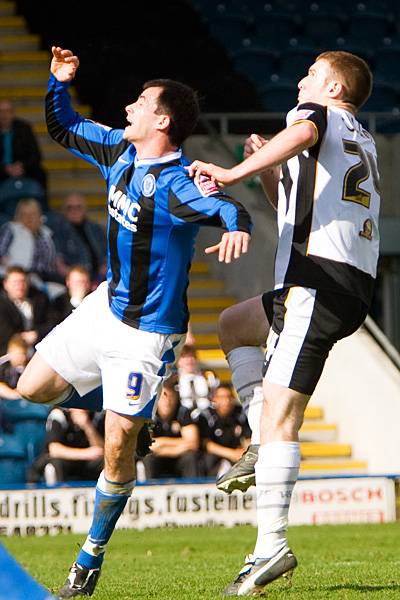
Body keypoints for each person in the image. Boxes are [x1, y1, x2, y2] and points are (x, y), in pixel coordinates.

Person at [16, 46, 252, 598]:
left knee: (118, 443)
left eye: (141, 102)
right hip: (105, 306)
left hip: (148, 334)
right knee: (31, 389)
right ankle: (133, 414)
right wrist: (58, 81)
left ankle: (89, 557)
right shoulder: (119, 150)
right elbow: (63, 126)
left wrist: (238, 225)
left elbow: (225, 207)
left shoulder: (179, 182)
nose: (129, 106)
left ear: (163, 120)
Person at [189, 50, 380, 595]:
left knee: (281, 417)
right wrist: (269, 171)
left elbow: (300, 131)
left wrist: (230, 170)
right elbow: (290, 208)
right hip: (328, 282)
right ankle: (258, 443)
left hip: (318, 283)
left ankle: (269, 548)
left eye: (312, 74)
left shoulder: (319, 118)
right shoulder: (352, 136)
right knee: (233, 324)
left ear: (335, 88)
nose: (301, 80)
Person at [141, 376, 200, 479]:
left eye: (171, 396)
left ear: (176, 397)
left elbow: (193, 443)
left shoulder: (183, 412)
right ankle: (151, 490)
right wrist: (180, 442)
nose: (167, 401)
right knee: (147, 457)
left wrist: (161, 446)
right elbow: (146, 446)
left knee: (190, 457)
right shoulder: (149, 414)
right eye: (163, 396)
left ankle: (192, 489)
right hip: (157, 459)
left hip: (178, 459)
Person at [28, 407, 104, 485]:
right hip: (61, 461)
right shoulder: (59, 415)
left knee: (106, 462)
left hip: (85, 464)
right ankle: (58, 494)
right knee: (56, 463)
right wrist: (85, 454)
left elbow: (100, 450)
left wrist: (87, 426)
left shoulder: (96, 415)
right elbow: (54, 449)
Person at [0, 99, 47, 215]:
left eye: (7, 111)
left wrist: (22, 166)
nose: (4, 115)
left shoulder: (24, 128)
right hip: (1, 171)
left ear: (13, 113)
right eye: (1, 111)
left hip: (24, 170)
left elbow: (35, 154)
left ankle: (43, 210)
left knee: (41, 173)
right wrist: (5, 168)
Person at [0, 198, 61, 287]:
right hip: (19, 276)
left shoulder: (46, 233)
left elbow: (53, 260)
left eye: (32, 214)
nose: (29, 218)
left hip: (44, 276)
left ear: (39, 215)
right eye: (24, 214)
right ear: (19, 216)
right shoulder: (11, 229)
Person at [51, 192, 108, 284]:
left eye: (78, 207)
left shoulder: (96, 228)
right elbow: (59, 264)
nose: (74, 210)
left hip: (100, 278)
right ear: (64, 210)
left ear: (85, 209)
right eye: (70, 207)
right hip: (75, 280)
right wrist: (77, 277)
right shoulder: (58, 231)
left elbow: (107, 253)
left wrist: (105, 267)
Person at [198, 383, 251, 478]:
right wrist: (231, 454)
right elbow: (206, 444)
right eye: (222, 397)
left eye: (229, 397)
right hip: (215, 457)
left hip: (236, 455)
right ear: (214, 399)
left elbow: (248, 439)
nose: (226, 401)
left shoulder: (241, 414)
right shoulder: (207, 416)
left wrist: (245, 452)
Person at [0, 266, 53, 355]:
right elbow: (4, 333)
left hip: (39, 349)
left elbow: (51, 322)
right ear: (6, 284)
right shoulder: (1, 304)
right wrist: (23, 339)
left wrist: (37, 334)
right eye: (15, 282)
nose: (19, 286)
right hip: (9, 352)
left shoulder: (39, 299)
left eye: (23, 281)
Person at [176, 343, 218, 416]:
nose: (189, 360)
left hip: (206, 414)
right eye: (185, 357)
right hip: (182, 415)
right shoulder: (173, 380)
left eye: (193, 356)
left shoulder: (208, 376)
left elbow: (215, 398)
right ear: (178, 361)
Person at [0, 334, 30, 400]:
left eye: (24, 354)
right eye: (18, 354)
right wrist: (13, 394)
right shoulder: (3, 364)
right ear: (9, 352)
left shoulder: (29, 364)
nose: (22, 358)